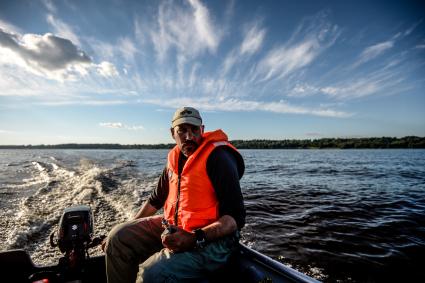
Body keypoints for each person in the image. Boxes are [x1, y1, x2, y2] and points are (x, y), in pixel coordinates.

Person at [104, 106, 245, 283]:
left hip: (214, 241)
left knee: (152, 274)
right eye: (182, 130)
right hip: (178, 228)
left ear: (202, 129)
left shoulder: (219, 157)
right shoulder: (174, 159)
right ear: (172, 133)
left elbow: (235, 219)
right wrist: (128, 225)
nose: (189, 136)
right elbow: (154, 201)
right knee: (117, 238)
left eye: (194, 130)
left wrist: (195, 237)